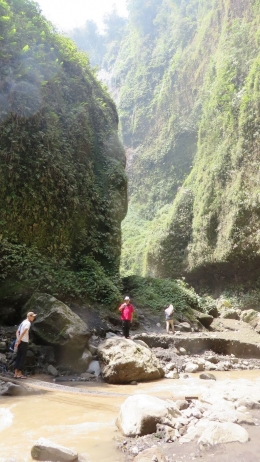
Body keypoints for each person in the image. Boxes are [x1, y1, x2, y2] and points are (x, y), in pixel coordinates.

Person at [14, 311, 37, 378]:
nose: (33, 318)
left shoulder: (23, 322)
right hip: (24, 342)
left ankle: (15, 373)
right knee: (22, 358)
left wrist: (18, 340)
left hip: (20, 341)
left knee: (18, 357)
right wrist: (19, 340)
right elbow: (24, 332)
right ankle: (19, 373)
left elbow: (17, 332)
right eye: (33, 316)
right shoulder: (28, 323)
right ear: (29, 316)